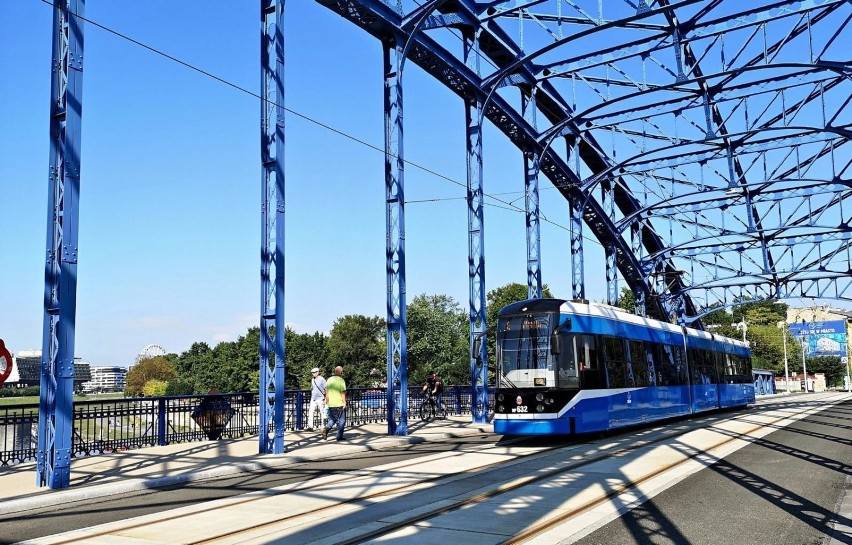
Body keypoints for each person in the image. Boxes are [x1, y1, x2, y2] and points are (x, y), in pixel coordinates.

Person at [323, 366, 347, 441]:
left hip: (331, 403)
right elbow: (343, 392)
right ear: (340, 372)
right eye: (342, 372)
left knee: (333, 418)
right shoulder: (341, 380)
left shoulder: (329, 379)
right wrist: (344, 402)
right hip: (339, 403)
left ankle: (326, 429)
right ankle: (339, 436)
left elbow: (326, 391)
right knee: (342, 420)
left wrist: (327, 400)